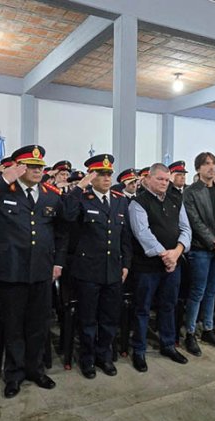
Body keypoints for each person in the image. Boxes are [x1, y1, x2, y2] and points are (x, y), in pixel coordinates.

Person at [0, 145, 74, 398]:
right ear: (19, 168)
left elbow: (62, 232)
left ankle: (35, 369)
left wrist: (58, 262)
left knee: (38, 324)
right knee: (13, 325)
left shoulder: (51, 195)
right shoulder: (1, 191)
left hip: (41, 269)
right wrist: (2, 178)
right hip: (10, 270)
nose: (38, 170)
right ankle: (14, 374)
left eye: (40, 166)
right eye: (31, 166)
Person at [63, 154, 131, 379]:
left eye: (109, 173)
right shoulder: (83, 198)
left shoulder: (121, 199)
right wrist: (78, 188)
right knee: (88, 319)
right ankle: (88, 359)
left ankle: (105, 356)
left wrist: (126, 265)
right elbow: (67, 215)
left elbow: (125, 237)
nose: (106, 178)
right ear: (92, 176)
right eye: (101, 174)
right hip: (88, 270)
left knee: (109, 318)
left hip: (113, 269)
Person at [128, 163, 192, 371]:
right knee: (143, 308)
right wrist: (166, 254)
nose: (164, 183)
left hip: (173, 263)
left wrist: (177, 252)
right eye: (160, 179)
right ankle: (139, 349)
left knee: (169, 305)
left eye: (167, 180)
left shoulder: (176, 199)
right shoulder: (139, 202)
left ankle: (168, 344)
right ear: (148, 179)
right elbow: (143, 233)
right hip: (147, 266)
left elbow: (185, 228)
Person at [182, 152, 215, 354]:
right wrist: (214, 242)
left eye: (213, 164)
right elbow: (194, 221)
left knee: (212, 292)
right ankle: (190, 333)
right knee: (197, 292)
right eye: (206, 164)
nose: (211, 168)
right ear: (198, 169)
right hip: (201, 249)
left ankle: (209, 329)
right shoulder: (191, 192)